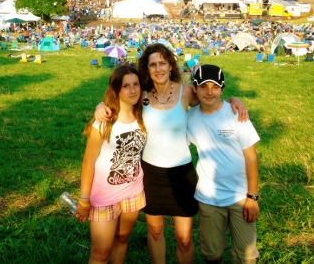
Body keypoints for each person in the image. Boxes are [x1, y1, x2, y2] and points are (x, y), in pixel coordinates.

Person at [95, 43, 249, 264]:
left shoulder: (186, 92)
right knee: (155, 231)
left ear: (170, 65)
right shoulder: (142, 95)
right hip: (151, 174)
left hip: (182, 175)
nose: (158, 69)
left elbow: (211, 99)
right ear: (146, 69)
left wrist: (234, 100)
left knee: (184, 238)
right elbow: (117, 100)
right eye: (152, 64)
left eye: (162, 63)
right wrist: (100, 105)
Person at [187, 64, 260, 264]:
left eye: (215, 87)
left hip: (240, 197)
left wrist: (252, 197)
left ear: (222, 88)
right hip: (208, 198)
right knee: (212, 253)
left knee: (246, 255)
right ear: (195, 88)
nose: (209, 92)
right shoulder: (189, 118)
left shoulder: (237, 114)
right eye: (203, 86)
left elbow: (251, 157)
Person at [75, 65, 147, 264]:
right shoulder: (104, 121)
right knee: (100, 253)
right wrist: (83, 199)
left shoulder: (143, 114)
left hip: (133, 191)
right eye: (126, 86)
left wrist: (231, 101)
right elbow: (88, 162)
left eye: (136, 85)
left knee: (122, 239)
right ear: (116, 89)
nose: (133, 90)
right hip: (104, 197)